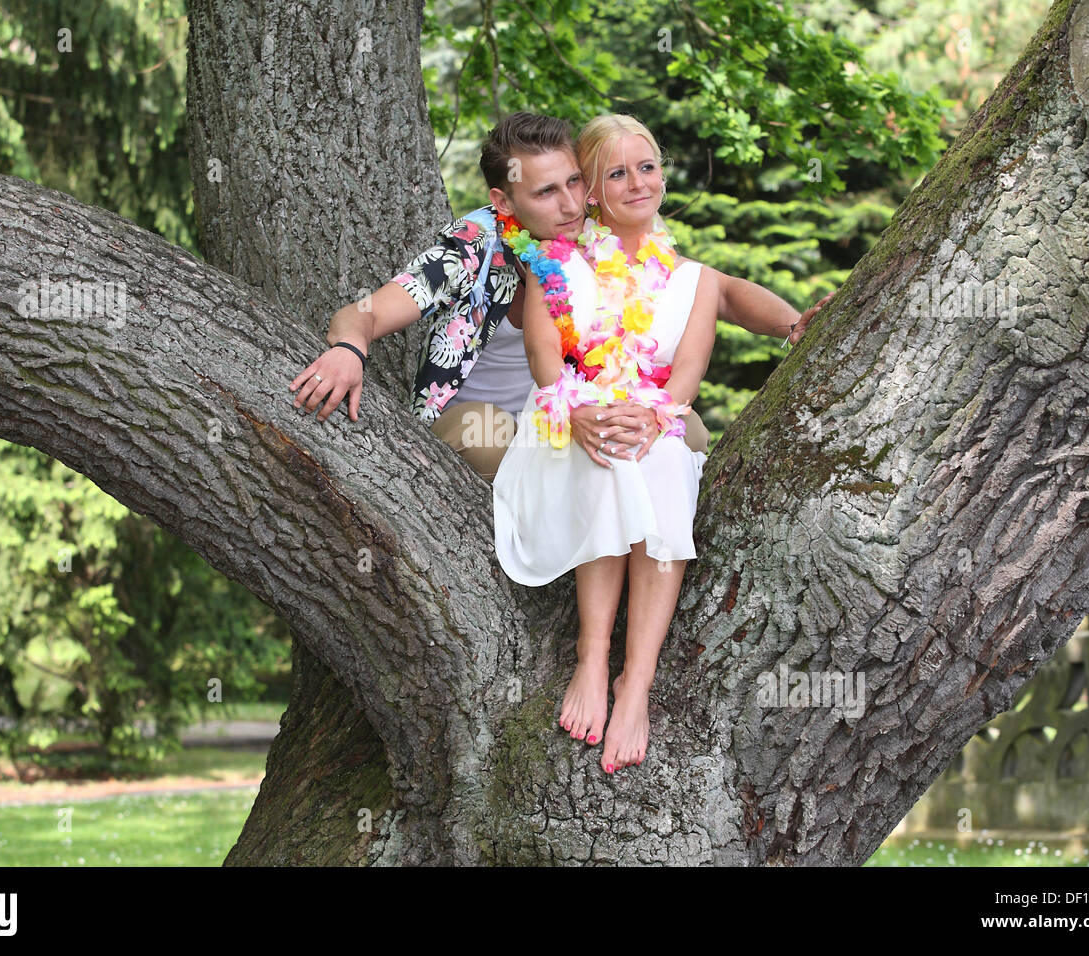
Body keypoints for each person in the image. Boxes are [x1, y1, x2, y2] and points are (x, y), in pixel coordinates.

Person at [288, 112, 832, 481]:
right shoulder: (474, 244)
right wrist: (347, 349)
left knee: (684, 430)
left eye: (575, 182)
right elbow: (366, 311)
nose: (571, 204)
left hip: (576, 415)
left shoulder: (604, 235)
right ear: (505, 198)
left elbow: (720, 292)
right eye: (546, 191)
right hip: (487, 420)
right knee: (499, 440)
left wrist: (793, 326)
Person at [492, 113, 720, 776]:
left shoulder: (695, 279)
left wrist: (654, 417)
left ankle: (635, 683)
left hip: (651, 421)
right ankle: (593, 658)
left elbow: (684, 377)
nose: (636, 182)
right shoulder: (555, 263)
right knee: (606, 462)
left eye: (646, 166)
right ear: (591, 190)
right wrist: (583, 414)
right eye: (616, 172)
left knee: (666, 462)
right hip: (567, 420)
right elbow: (544, 358)